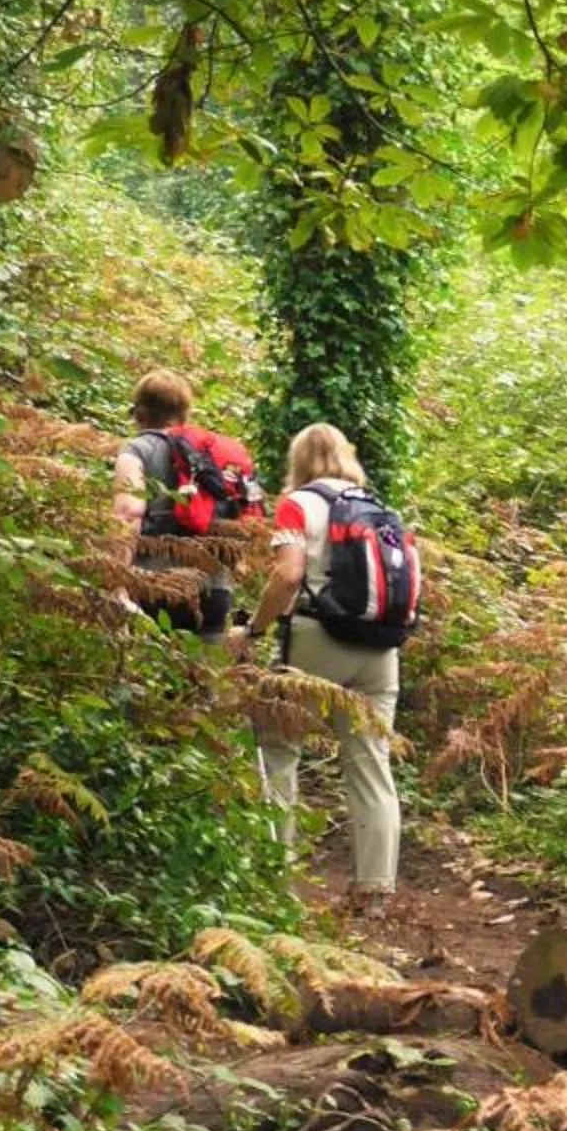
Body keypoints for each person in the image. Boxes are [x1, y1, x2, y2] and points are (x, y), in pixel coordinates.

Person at [236, 423, 402, 914]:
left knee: (278, 751)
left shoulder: (299, 504)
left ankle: (276, 882)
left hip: (315, 639)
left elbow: (288, 575)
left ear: (299, 461)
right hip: (380, 645)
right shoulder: (377, 506)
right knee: (371, 763)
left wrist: (255, 631)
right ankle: (374, 894)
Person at [112, 369, 235, 638]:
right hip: (214, 590)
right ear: (185, 413)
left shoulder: (137, 450)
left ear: (139, 412)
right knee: (205, 677)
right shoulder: (208, 453)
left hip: (154, 585)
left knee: (145, 676)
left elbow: (129, 513)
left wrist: (118, 584)